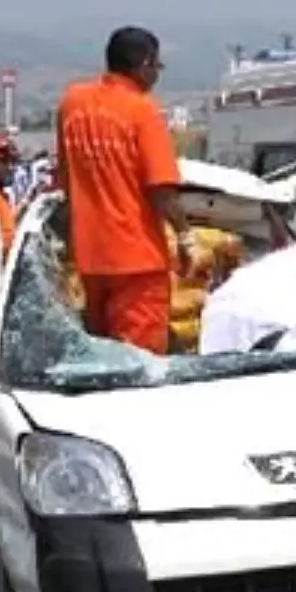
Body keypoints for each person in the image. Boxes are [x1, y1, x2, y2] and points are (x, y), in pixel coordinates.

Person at [56, 26, 193, 355]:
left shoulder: (72, 104)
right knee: (138, 363)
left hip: (91, 259)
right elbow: (162, 191)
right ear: (144, 64)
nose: (157, 75)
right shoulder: (142, 110)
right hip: (137, 261)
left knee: (100, 355)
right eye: (157, 66)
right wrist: (185, 236)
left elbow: (66, 180)